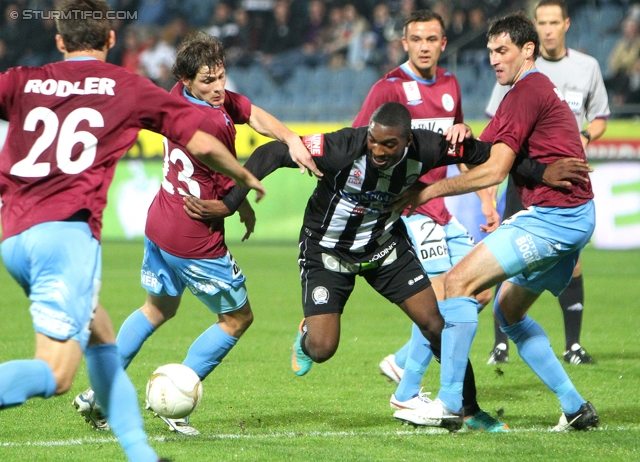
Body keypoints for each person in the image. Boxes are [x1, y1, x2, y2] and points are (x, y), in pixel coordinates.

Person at [182, 101, 583, 431]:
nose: (377, 151)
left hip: (383, 247)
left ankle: (468, 409)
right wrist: (231, 203)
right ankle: (306, 336)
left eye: (388, 145)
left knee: (436, 324)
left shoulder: (428, 147)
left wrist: (541, 172)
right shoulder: (343, 146)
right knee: (323, 349)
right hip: (328, 251)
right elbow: (271, 151)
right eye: (373, 142)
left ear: (407, 141)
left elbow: (490, 155)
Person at [0, 1, 267, 461]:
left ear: (60, 41)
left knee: (107, 336)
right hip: (65, 239)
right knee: (56, 373)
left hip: (13, 235)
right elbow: (199, 138)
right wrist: (243, 178)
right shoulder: (127, 87)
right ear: (110, 40)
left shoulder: (20, 79)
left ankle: (138, 451)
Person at [72, 32, 321, 436]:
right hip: (194, 237)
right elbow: (226, 174)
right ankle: (175, 395)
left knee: (157, 309)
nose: (218, 87)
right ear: (188, 81)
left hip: (161, 222)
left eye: (221, 76)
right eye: (208, 81)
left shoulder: (181, 96)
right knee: (238, 318)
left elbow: (252, 112)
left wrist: (290, 137)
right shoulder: (209, 122)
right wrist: (240, 202)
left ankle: (99, 394)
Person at [392, 12, 599, 432]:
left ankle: (451, 402)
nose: (493, 60)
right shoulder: (529, 90)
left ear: (528, 50)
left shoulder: (525, 92)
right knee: (509, 313)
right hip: (572, 216)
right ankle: (575, 407)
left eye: (502, 51)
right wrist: (469, 143)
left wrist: (428, 190)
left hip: (553, 220)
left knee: (456, 283)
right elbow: (495, 154)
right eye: (489, 51)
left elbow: (494, 171)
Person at [352, 9, 505, 433]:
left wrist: (486, 199)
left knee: (479, 291)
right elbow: (357, 143)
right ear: (405, 43)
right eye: (416, 38)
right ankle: (422, 395)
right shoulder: (388, 88)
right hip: (409, 212)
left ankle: (402, 367)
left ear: (443, 43)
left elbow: (458, 148)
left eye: (432, 39)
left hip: (442, 209)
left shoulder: (451, 85)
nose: (424, 46)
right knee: (442, 301)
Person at [485, 0, 609, 366]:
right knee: (501, 257)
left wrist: (583, 136)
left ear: (566, 24)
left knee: (567, 263)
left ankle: (571, 345)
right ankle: (501, 344)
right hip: (525, 177)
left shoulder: (586, 67)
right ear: (534, 31)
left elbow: (600, 115)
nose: (549, 28)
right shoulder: (516, 74)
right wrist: (487, 195)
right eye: (542, 22)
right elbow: (498, 132)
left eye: (554, 21)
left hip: (564, 182)